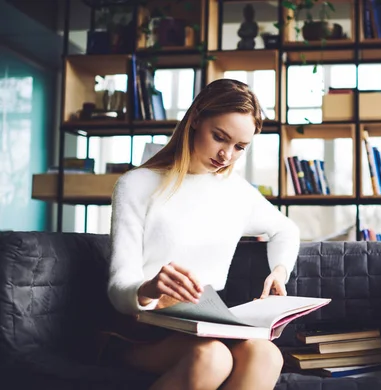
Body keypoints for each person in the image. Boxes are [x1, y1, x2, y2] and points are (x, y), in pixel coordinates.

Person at [105, 78, 300, 390]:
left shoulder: (236, 192)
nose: (226, 156)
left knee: (266, 354)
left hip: (207, 325)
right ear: (195, 119)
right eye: (219, 138)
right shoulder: (136, 184)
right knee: (213, 358)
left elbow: (286, 230)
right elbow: (118, 286)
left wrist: (279, 271)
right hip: (144, 328)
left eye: (239, 147)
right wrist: (150, 287)